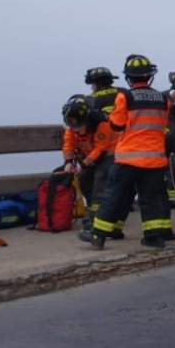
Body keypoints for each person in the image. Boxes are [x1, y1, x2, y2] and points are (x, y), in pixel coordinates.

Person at [82, 54, 173, 250]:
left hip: (128, 159)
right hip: (155, 160)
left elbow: (116, 125)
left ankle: (98, 236)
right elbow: (163, 124)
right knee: (151, 199)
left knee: (113, 196)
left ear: (129, 78)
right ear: (150, 76)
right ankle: (154, 237)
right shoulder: (163, 99)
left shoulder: (126, 96)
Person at [60, 94, 124, 239]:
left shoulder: (101, 123)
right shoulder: (72, 127)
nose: (74, 127)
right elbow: (68, 144)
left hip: (110, 155)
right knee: (85, 181)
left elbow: (101, 148)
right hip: (91, 157)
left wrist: (83, 164)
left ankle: (98, 218)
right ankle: (92, 212)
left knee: (100, 181)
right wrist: (68, 162)